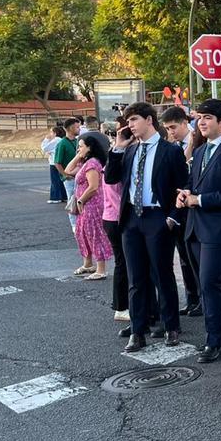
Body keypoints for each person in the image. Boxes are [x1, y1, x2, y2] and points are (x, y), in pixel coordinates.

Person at [104, 102, 189, 352]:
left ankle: (171, 325)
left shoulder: (169, 151)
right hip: (131, 219)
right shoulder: (129, 150)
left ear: (149, 120)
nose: (129, 125)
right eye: (127, 121)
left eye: (133, 120)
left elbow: (182, 185)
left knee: (162, 274)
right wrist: (118, 149)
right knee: (135, 277)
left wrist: (172, 217)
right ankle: (138, 330)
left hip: (157, 217)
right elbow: (110, 178)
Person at [176, 99, 221, 363]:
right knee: (216, 282)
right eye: (198, 118)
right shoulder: (202, 149)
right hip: (196, 225)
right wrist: (185, 195)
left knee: (208, 282)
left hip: (220, 228)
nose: (201, 122)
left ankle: (213, 340)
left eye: (207, 117)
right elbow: (194, 183)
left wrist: (201, 200)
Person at [161, 106, 202, 318]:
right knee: (184, 258)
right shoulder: (172, 145)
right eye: (167, 128)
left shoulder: (199, 143)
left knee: (195, 257)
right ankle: (191, 297)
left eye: (174, 127)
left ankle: (201, 298)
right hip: (177, 209)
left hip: (194, 208)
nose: (171, 132)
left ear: (185, 123)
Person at [71, 133, 113, 281]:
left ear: (90, 148)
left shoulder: (93, 163)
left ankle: (101, 269)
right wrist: (79, 155)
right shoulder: (86, 162)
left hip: (92, 205)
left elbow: (94, 187)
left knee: (95, 234)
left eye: (81, 146)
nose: (78, 149)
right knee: (82, 233)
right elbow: (68, 170)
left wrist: (81, 200)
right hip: (85, 204)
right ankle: (88, 264)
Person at [100, 128, 130, 322]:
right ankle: (121, 306)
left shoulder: (110, 163)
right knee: (123, 263)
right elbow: (118, 196)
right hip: (116, 218)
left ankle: (121, 305)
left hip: (111, 217)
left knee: (123, 262)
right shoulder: (114, 166)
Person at [55, 118, 81, 231]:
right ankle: (74, 225)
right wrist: (65, 175)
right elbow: (57, 162)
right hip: (70, 179)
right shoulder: (62, 143)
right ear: (70, 128)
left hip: (79, 176)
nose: (79, 129)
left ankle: (80, 223)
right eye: (77, 127)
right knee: (72, 201)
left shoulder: (77, 141)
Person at [41, 126, 66, 204]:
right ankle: (64, 196)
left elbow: (45, 148)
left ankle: (55, 197)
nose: (50, 134)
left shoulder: (56, 140)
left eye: (51, 132)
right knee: (61, 180)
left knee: (55, 180)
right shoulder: (62, 140)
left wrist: (46, 139)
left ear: (55, 133)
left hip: (54, 162)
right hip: (61, 162)